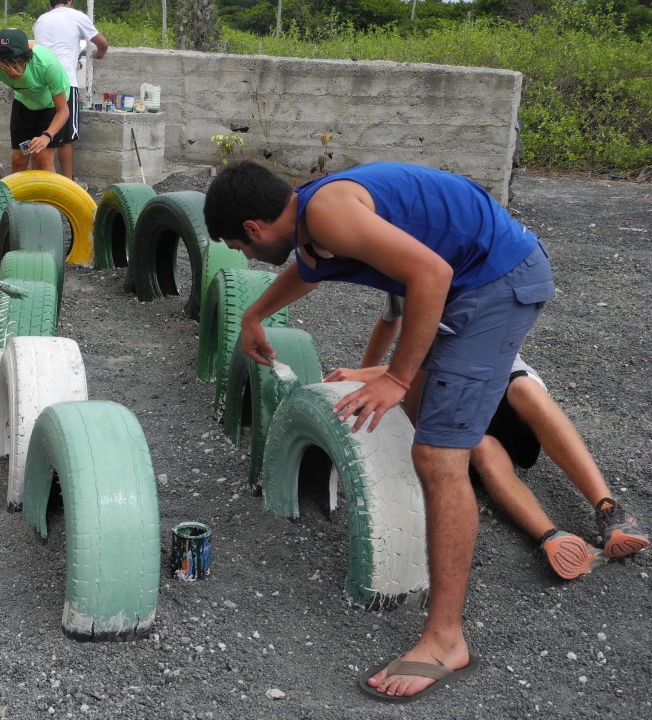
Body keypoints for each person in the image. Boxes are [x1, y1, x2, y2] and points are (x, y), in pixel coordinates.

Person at [203, 160, 556, 703]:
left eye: (242, 247)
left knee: (439, 454)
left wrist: (394, 376)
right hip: (472, 276)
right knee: (424, 419)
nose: (249, 257)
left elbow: (431, 275)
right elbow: (309, 266)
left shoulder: (328, 214)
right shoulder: (311, 219)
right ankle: (454, 499)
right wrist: (256, 313)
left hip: (494, 280)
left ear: (252, 229)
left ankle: (445, 641)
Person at [329, 295, 649, 579]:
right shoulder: (403, 271)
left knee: (525, 390)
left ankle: (609, 510)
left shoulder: (470, 269)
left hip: (496, 381)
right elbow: (389, 321)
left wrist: (369, 375)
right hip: (454, 405)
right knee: (481, 446)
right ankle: (552, 537)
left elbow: (451, 355)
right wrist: (360, 380)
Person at [33, 0, 108, 181]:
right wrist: (100, 53)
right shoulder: (76, 16)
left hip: (41, 84)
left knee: (43, 135)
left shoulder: (40, 20)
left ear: (50, 4)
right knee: (65, 137)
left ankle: (39, 182)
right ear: (70, 2)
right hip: (65, 83)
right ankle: (68, 184)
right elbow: (102, 43)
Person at [0, 28, 71, 174]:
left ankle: (46, 196)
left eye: (15, 65)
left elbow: (63, 111)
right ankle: (17, 197)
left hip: (52, 105)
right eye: (4, 67)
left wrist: (46, 136)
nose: (10, 73)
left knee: (43, 158)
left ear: (26, 57)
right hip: (24, 103)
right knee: (18, 158)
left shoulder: (46, 64)